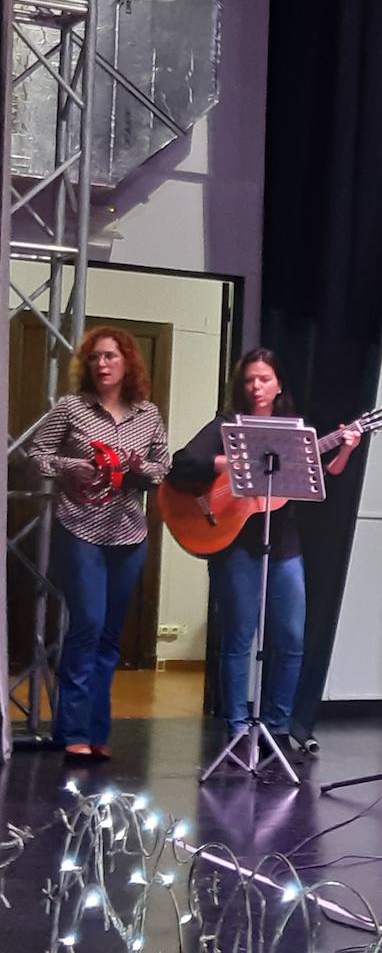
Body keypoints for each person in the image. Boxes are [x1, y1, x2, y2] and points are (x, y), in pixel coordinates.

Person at [168, 349, 358, 751]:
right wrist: (233, 463)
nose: (256, 387)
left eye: (264, 379)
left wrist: (345, 448)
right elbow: (183, 463)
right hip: (233, 541)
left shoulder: (295, 432)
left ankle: (277, 726)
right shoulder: (227, 425)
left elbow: (321, 477)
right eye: (250, 379)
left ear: (279, 385)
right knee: (239, 636)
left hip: (283, 542)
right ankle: (237, 725)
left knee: (290, 637)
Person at [29, 326, 169, 762]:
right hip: (80, 528)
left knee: (110, 636)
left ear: (128, 363)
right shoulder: (71, 408)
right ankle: (71, 731)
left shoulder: (148, 414)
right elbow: (35, 452)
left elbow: (162, 468)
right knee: (87, 624)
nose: (102, 364)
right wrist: (70, 466)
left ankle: (97, 731)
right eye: (95, 358)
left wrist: (137, 465)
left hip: (129, 532)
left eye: (110, 356)